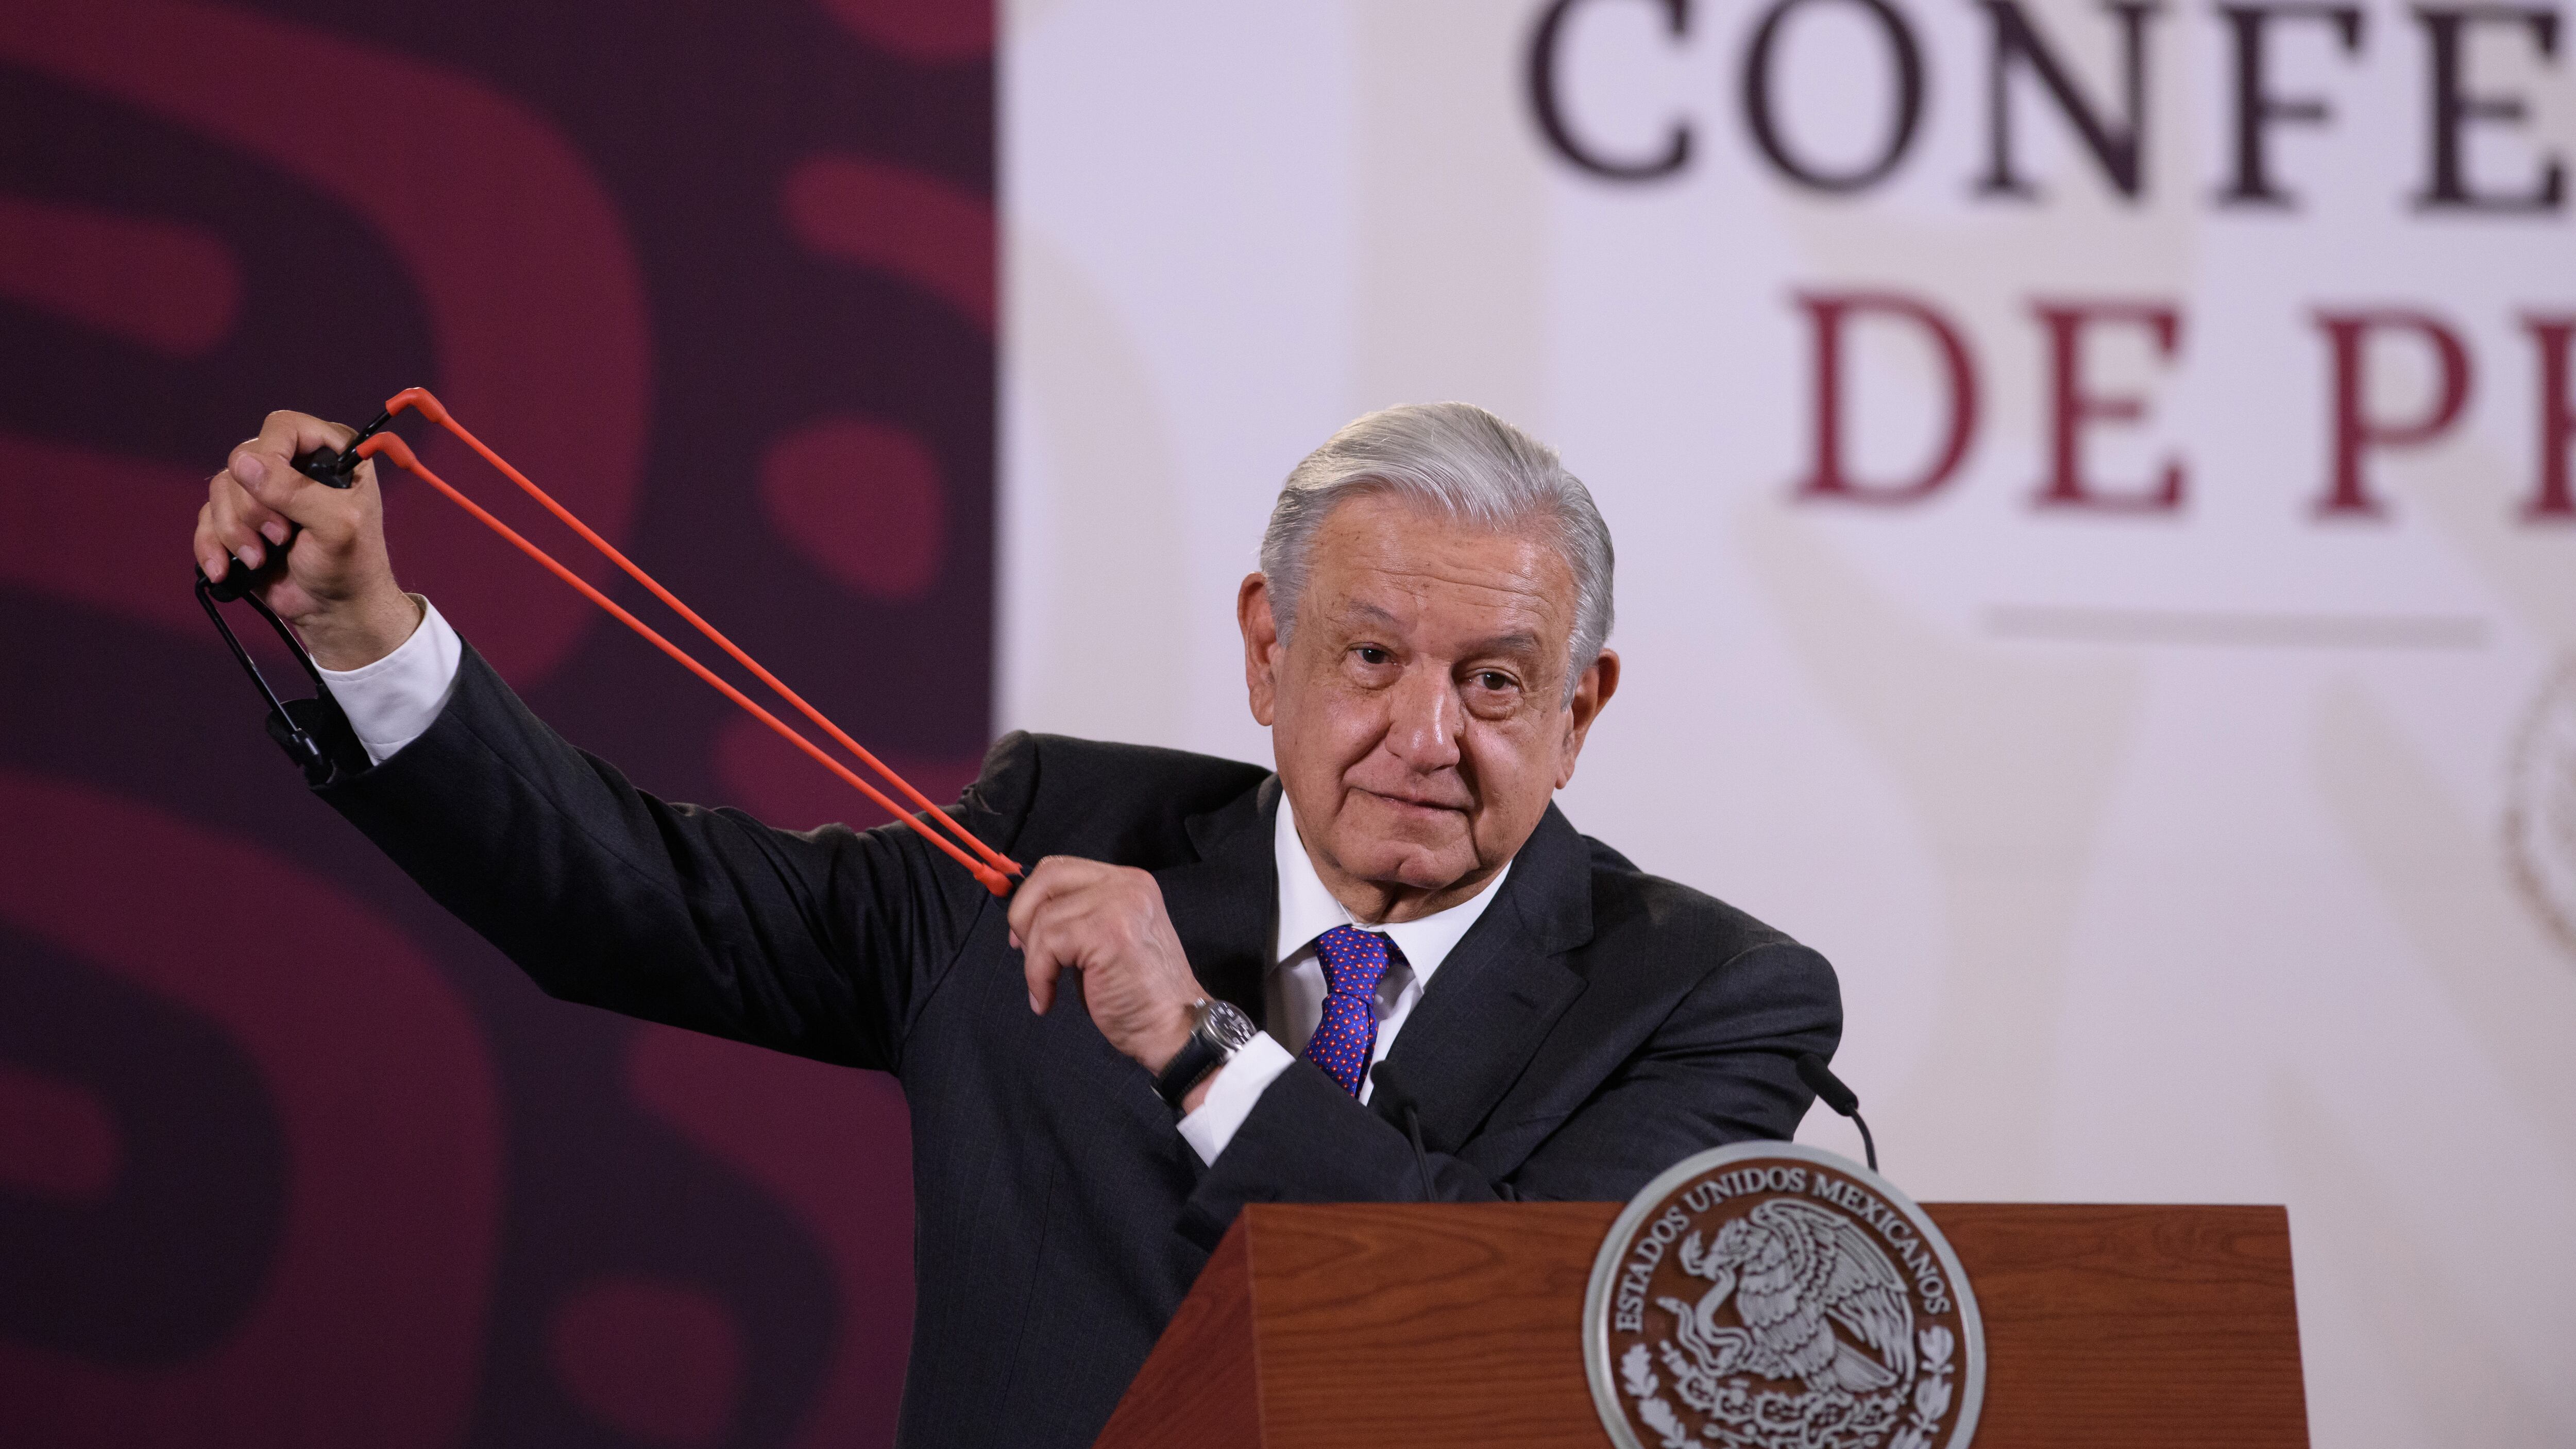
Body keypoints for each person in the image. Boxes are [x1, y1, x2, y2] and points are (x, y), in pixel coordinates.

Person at [192, 401, 1841, 1447]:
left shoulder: (1709, 994)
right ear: (1268, 652)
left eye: (1494, 683)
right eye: (1367, 660)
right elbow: (648, 907)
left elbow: (1523, 1325)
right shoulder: (1060, 830)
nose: (1427, 735)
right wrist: (369, 636)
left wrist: (1195, 1047)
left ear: (1580, 708)